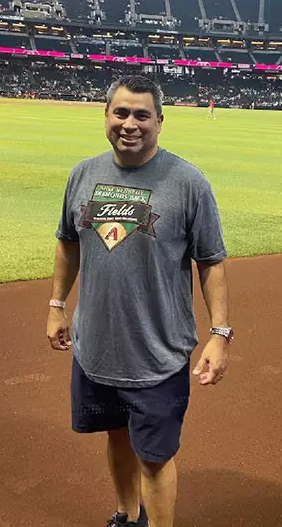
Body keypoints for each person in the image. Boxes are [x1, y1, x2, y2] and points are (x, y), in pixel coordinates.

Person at [47, 74, 232, 527]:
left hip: (157, 352)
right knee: (116, 438)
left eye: (142, 115)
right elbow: (67, 243)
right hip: (96, 347)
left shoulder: (188, 182)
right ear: (106, 116)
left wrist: (219, 334)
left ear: (160, 122)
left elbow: (211, 262)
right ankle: (125, 516)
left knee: (154, 456)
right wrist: (56, 305)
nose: (130, 123)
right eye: (121, 112)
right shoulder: (83, 174)